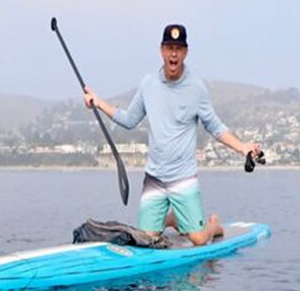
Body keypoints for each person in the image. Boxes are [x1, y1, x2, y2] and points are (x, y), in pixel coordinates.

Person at [82, 23, 262, 246]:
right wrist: (98, 103)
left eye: (178, 48)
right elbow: (128, 119)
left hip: (183, 178)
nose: (173, 53)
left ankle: (213, 225)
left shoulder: (197, 88)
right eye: (169, 48)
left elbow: (216, 127)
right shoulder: (148, 84)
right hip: (155, 177)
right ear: (161, 51)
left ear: (185, 52)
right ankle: (174, 217)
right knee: (147, 240)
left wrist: (243, 147)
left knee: (198, 239)